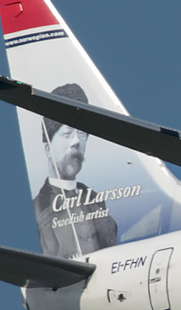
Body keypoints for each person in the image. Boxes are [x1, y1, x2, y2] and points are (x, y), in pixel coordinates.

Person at [32, 84, 119, 258]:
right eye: (67, 133)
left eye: (81, 134)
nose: (76, 141)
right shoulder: (40, 208)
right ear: (48, 148)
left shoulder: (95, 199)